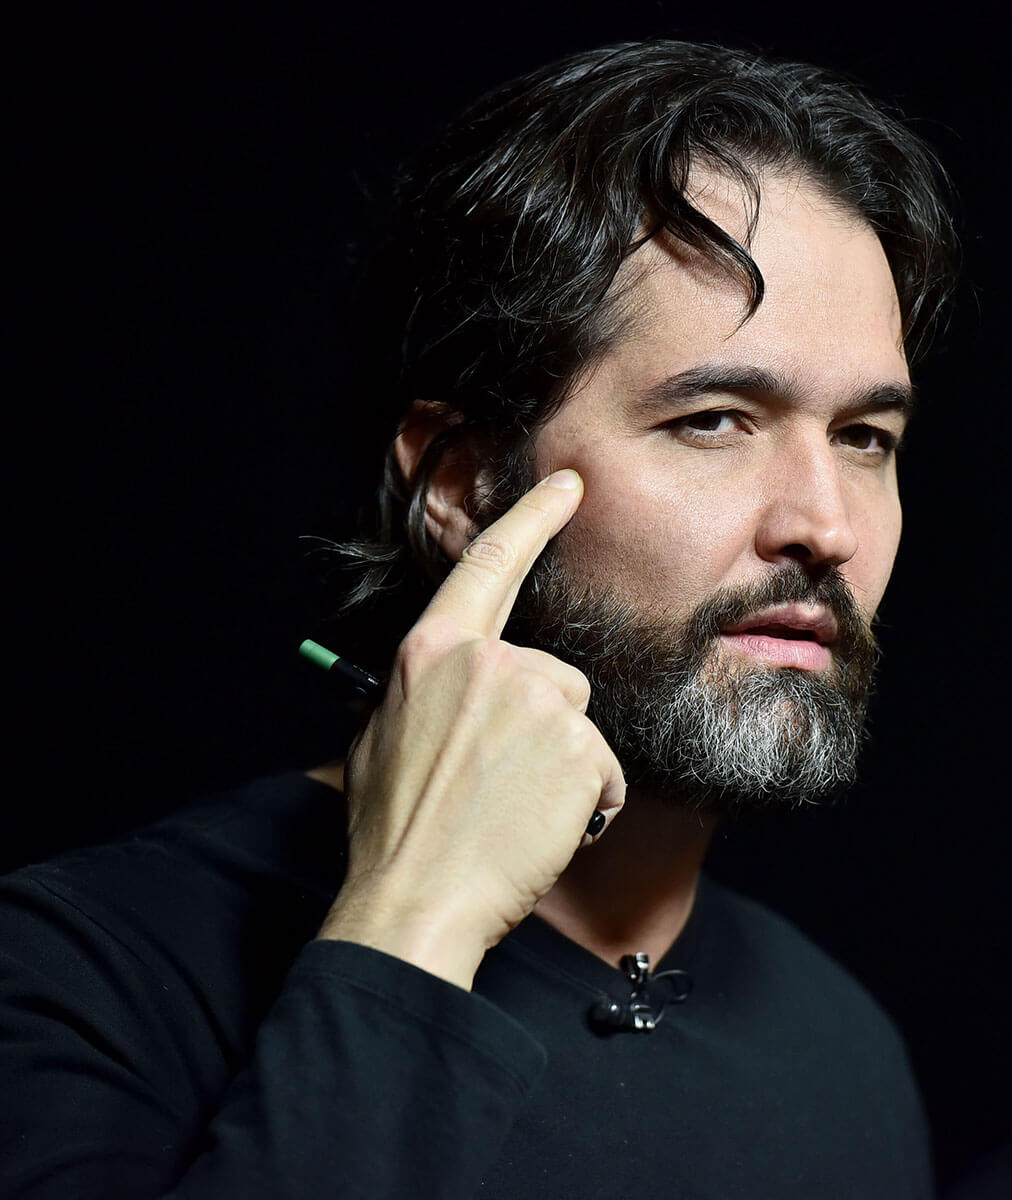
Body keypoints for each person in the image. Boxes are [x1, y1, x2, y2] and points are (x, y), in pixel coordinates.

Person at [0, 39, 957, 1198]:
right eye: (712, 419)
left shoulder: (841, 1050)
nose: (825, 525)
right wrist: (408, 928)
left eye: (865, 438)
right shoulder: (82, 972)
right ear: (461, 483)